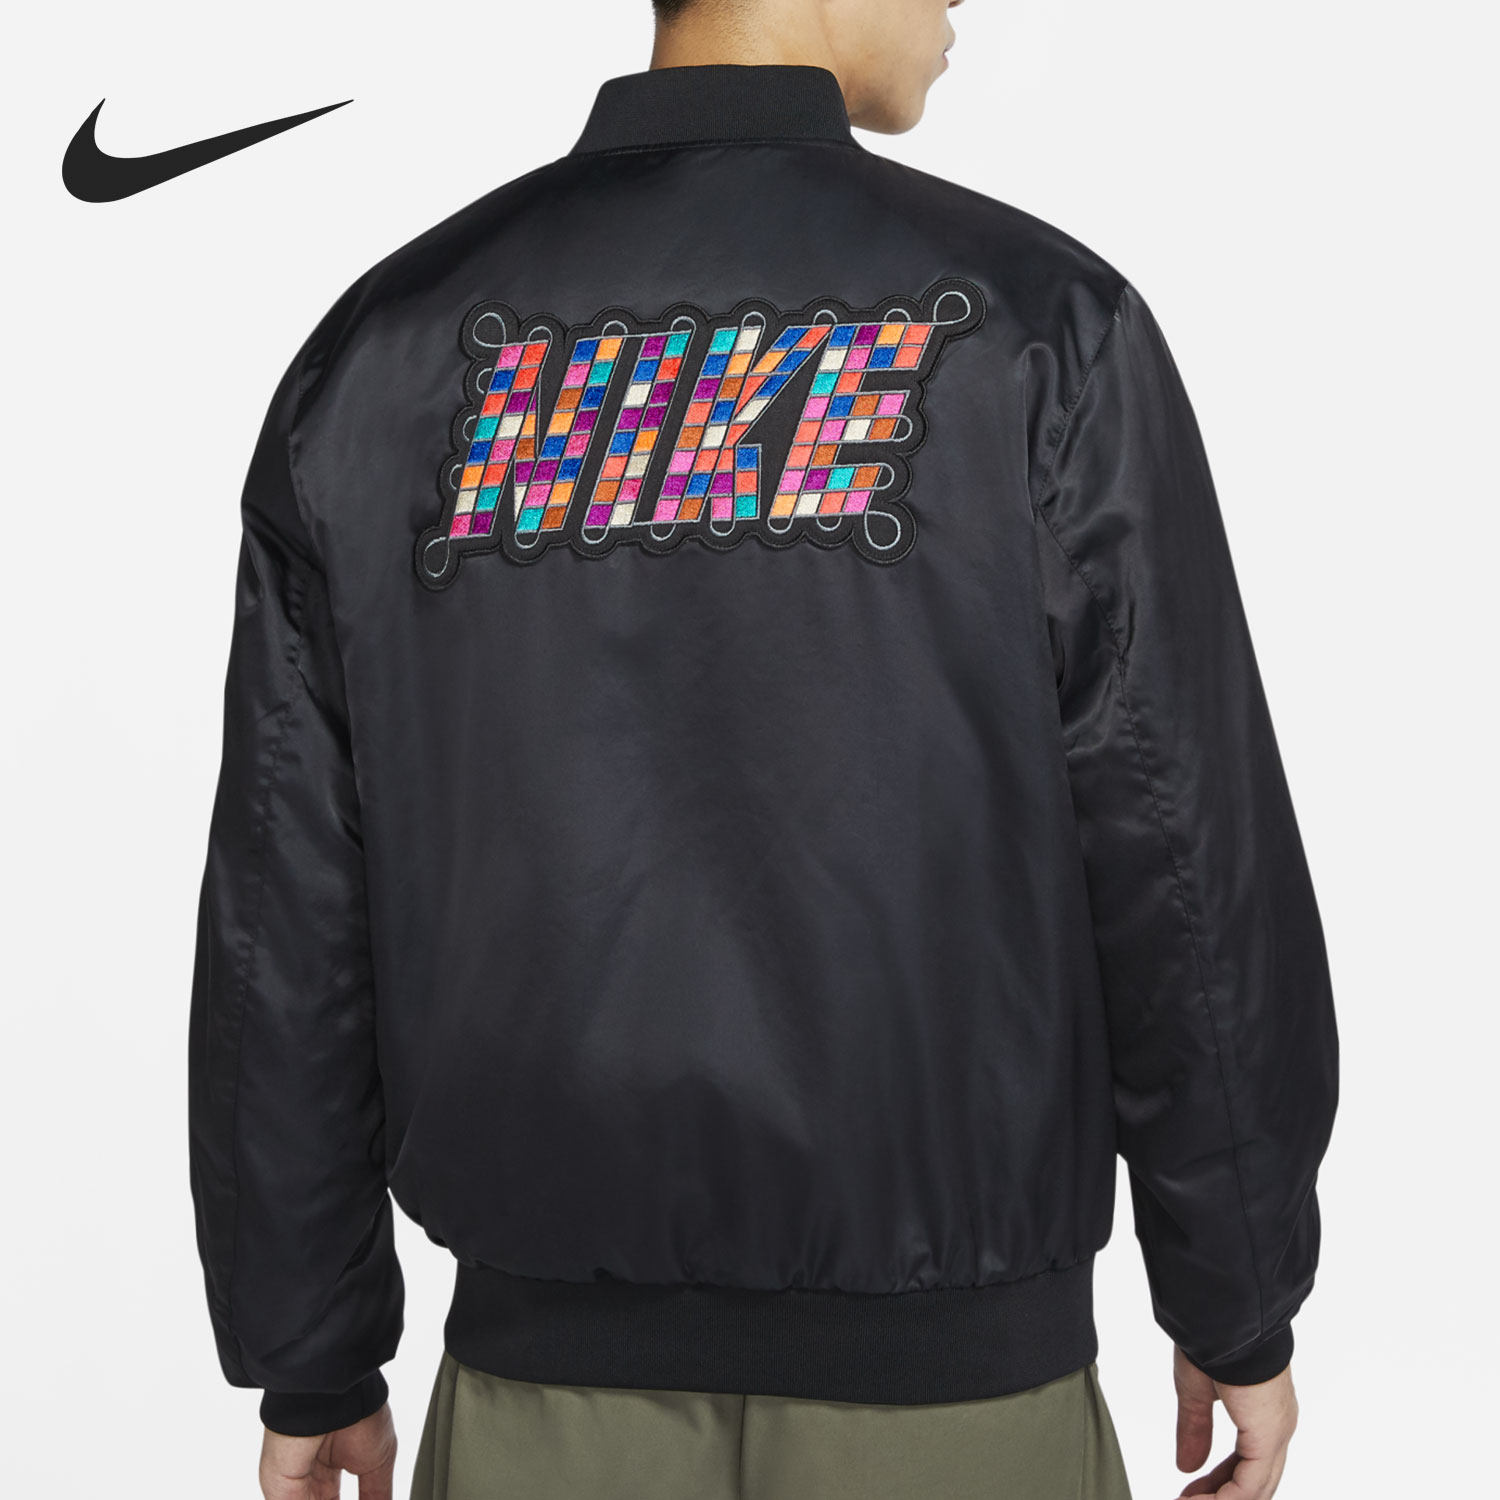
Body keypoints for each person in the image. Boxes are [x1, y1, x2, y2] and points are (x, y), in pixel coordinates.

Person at [186, 1, 1339, 1497]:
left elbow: (289, 911)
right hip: (956, 1414)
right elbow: (1180, 854)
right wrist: (1236, 1293)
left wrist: (313, 1348)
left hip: (546, 1406)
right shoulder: (1040, 328)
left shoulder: (384, 353)